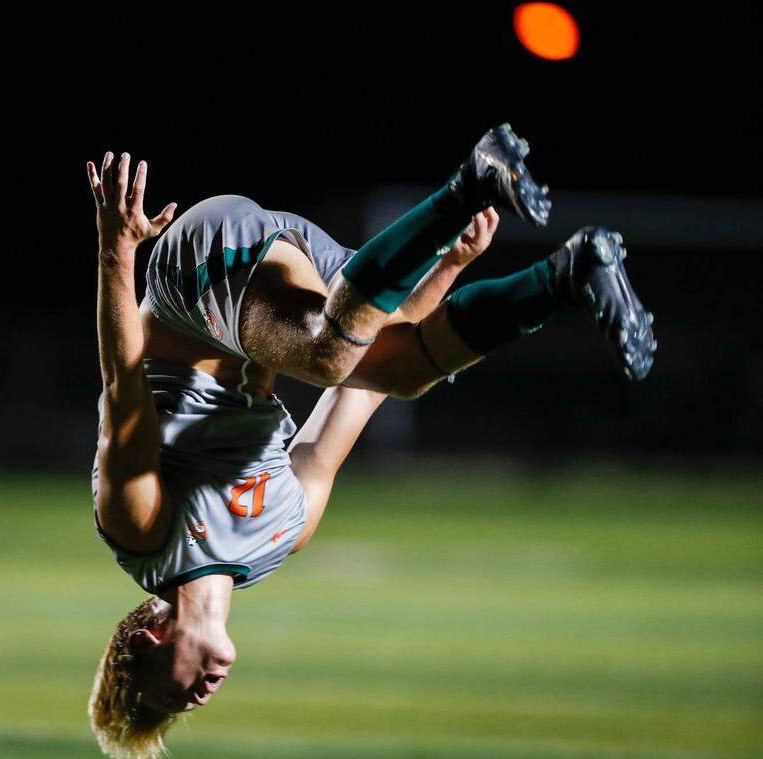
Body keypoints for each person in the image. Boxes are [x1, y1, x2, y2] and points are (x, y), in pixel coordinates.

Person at [84, 125, 656, 758]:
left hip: (193, 279)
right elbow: (363, 394)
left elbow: (123, 386)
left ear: (144, 642)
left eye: (168, 699)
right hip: (291, 295)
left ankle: (472, 182)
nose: (198, 700)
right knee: (404, 367)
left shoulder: (142, 533)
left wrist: (117, 250)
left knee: (329, 355)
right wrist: (447, 267)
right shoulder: (281, 537)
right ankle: (567, 274)